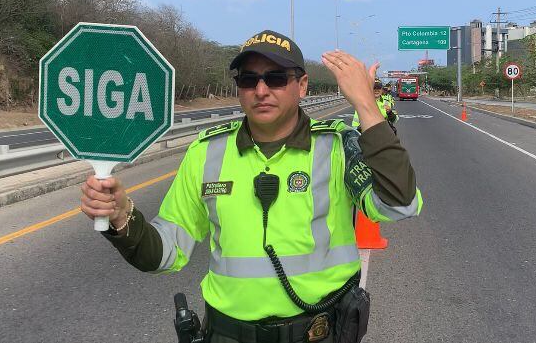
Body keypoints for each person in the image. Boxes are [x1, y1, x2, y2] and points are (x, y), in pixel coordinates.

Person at [79, 29, 422, 343]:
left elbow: (398, 203)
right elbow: (166, 253)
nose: (261, 90)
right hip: (227, 334)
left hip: (318, 333)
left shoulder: (337, 147)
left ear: (302, 86)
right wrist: (123, 218)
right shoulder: (206, 153)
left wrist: (365, 104)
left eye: (275, 78)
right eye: (249, 79)